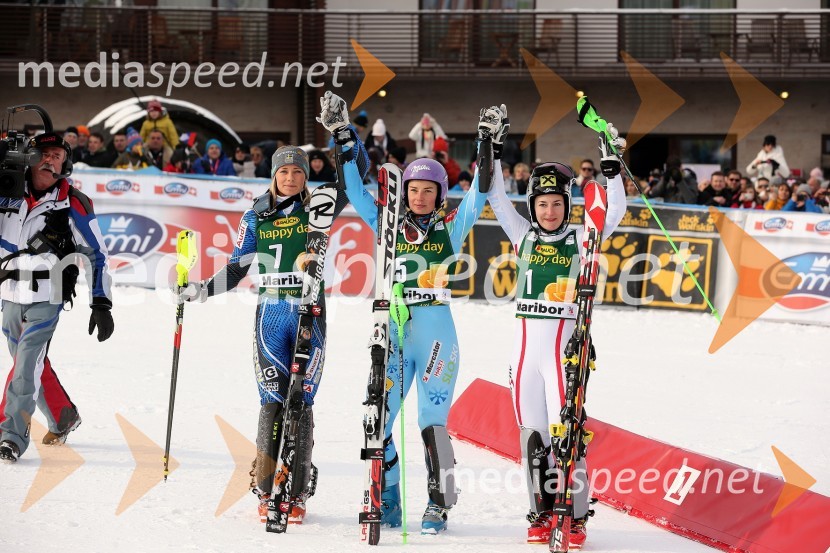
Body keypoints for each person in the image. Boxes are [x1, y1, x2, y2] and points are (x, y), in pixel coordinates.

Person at [319, 91, 490, 535]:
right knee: (377, 417)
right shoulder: (385, 226)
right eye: (412, 190)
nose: (417, 197)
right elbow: (353, 188)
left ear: (438, 195)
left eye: (426, 191)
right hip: (392, 331)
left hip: (436, 334)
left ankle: (438, 503)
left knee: (431, 423)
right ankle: (389, 497)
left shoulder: (453, 226)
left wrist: (488, 144)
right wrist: (343, 137)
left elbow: (481, 189)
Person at [176, 144, 365, 523]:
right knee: (272, 404)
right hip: (271, 314)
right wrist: (200, 290)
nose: (291, 178)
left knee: (303, 402)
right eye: (284, 172)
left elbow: (357, 173)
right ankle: (265, 488)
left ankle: (297, 492)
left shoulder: (320, 206)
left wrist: (345, 137)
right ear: (273, 175)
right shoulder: (255, 215)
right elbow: (236, 268)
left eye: (297, 172)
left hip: (310, 311)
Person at [486, 112, 627, 548]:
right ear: (533, 206)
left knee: (570, 437)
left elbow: (615, 207)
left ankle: (577, 517)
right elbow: (493, 194)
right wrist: (491, 148)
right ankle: (541, 512)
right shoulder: (522, 234)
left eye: (557, 204)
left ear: (568, 205)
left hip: (565, 351)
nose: (549, 211)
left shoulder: (584, 237)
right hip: (524, 354)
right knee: (532, 438)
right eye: (542, 204)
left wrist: (612, 164)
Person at [0, 132, 114, 463]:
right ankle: (63, 414)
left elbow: (97, 255)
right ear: (28, 156)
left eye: (58, 156)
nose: (51, 160)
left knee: (26, 365)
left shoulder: (73, 202)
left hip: (47, 294)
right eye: (44, 153)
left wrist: (101, 302)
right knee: (29, 362)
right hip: (8, 292)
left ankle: (11, 436)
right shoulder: (7, 189)